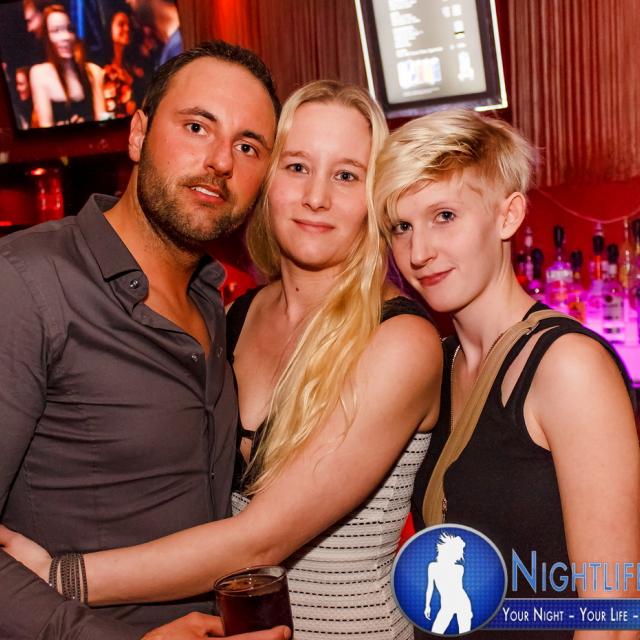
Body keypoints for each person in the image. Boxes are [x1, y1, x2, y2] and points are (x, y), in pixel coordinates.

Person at [1, 80, 443, 639]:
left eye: (347, 176)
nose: (316, 197)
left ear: (375, 198)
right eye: (297, 167)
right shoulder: (231, 314)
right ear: (265, 181)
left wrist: (59, 577)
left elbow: (261, 539)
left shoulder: (400, 340)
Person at [0, 40, 284, 640]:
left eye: (248, 146)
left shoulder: (213, 302)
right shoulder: (26, 284)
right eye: (197, 126)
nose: (220, 161)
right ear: (137, 135)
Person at [373, 109, 640, 639]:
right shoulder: (436, 364)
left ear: (508, 215)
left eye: (444, 215)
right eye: (402, 227)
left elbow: (611, 619)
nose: (419, 253)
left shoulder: (566, 367)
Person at [29, 4, 106, 127]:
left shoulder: (93, 71)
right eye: (56, 31)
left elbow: (104, 120)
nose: (65, 37)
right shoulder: (39, 74)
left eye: (69, 29)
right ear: (47, 36)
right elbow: (46, 126)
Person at [103, 11, 137, 117]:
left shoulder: (133, 67)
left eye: (128, 25)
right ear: (110, 29)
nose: (127, 29)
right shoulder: (102, 69)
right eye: (121, 24)